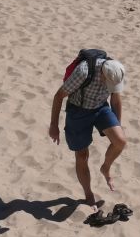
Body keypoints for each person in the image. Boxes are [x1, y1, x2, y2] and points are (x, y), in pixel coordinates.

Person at [47, 49, 128, 220]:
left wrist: (117, 125)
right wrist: (54, 125)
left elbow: (115, 99)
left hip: (100, 108)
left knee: (120, 140)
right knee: (82, 154)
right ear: (102, 76)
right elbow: (58, 95)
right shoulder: (83, 72)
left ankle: (105, 167)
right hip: (78, 111)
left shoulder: (115, 70)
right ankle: (88, 193)